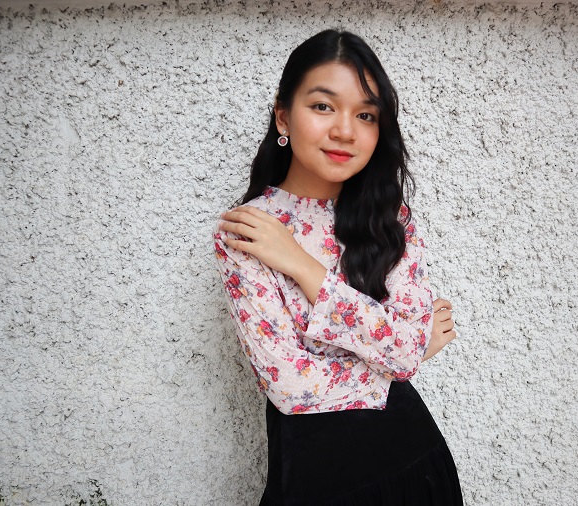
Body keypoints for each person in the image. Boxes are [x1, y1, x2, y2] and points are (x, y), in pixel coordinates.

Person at [213, 29, 462, 506]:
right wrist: (396, 358)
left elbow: (406, 347)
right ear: (283, 115)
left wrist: (301, 265)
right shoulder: (247, 232)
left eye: (365, 115)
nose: (345, 131)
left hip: (414, 467)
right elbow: (289, 385)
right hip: (317, 481)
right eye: (323, 106)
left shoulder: (390, 220)